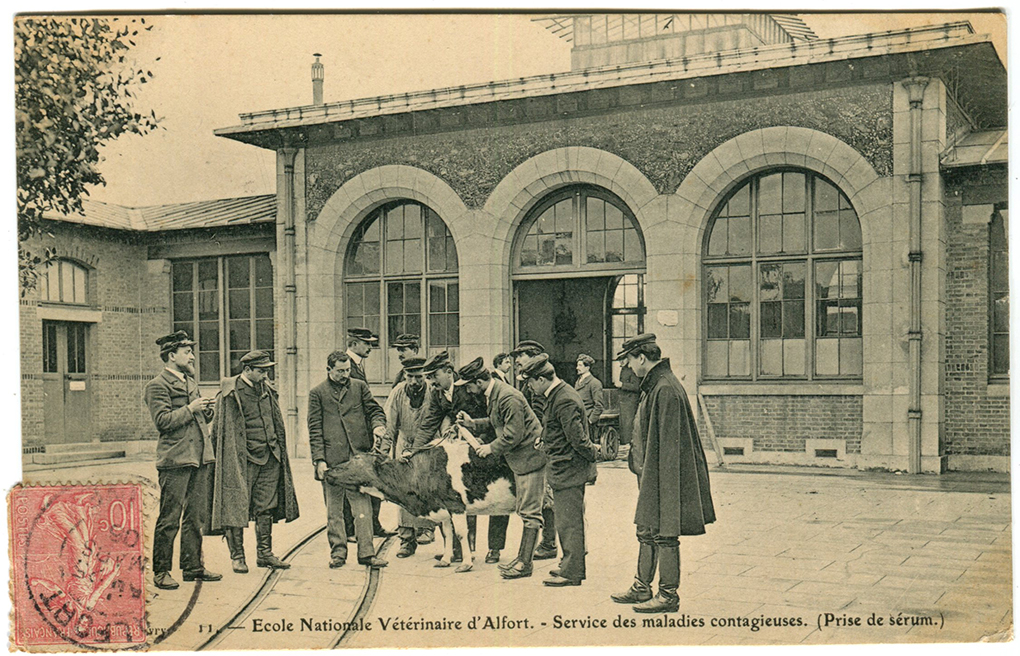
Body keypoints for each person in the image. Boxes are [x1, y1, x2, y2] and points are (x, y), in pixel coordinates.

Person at [610, 334, 715, 613]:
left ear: (642, 358)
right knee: (646, 528)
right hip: (650, 474)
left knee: (665, 532)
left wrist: (659, 483)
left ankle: (668, 596)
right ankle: (642, 587)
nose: (629, 368)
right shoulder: (656, 385)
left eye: (630, 361)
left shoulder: (664, 388)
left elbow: (669, 447)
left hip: (663, 477)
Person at [455, 357, 547, 580]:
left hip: (529, 458)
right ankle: (522, 559)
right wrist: (473, 424)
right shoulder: (496, 393)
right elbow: (497, 421)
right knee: (527, 509)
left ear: (479, 381)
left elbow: (513, 434)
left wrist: (490, 448)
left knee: (530, 511)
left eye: (469, 385)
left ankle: (525, 563)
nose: (468, 390)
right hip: (521, 459)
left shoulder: (507, 396)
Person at [411, 352, 508, 563]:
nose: (431, 382)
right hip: (465, 453)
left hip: (492, 446)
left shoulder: (470, 384)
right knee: (463, 496)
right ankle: (465, 549)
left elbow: (495, 416)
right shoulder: (437, 394)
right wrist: (414, 451)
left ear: (448, 372)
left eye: (433, 376)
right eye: (428, 378)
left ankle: (495, 548)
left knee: (497, 497)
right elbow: (428, 424)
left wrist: (483, 440)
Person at [210, 350, 300, 574]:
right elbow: (220, 432)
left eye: (267, 371)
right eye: (261, 371)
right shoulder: (230, 394)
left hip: (270, 458)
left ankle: (264, 553)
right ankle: (238, 557)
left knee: (266, 506)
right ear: (247, 370)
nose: (265, 375)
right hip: (243, 460)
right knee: (236, 505)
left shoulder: (268, 391)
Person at [143, 331, 220, 590]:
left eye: (191, 351)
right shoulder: (157, 385)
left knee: (196, 517)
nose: (192, 356)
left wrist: (205, 412)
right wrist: (191, 409)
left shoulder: (190, 382)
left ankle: (192, 567)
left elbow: (197, 420)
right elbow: (163, 422)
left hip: (198, 458)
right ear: (171, 355)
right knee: (170, 517)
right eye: (187, 352)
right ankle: (161, 570)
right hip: (175, 459)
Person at [307, 350, 389, 569]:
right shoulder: (317, 393)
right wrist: (319, 460)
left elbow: (374, 410)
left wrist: (378, 425)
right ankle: (338, 554)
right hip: (332, 462)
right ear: (329, 370)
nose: (345, 374)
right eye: (340, 371)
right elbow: (314, 430)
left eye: (347, 370)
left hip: (359, 459)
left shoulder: (359, 387)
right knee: (334, 511)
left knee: (363, 508)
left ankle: (367, 554)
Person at [522, 354, 598, 587]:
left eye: (530, 382)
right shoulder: (557, 394)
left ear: (541, 379)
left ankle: (572, 572)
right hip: (563, 468)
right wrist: (544, 440)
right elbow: (556, 428)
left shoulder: (563, 398)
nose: (529, 387)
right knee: (565, 521)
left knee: (570, 523)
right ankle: (567, 565)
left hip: (568, 470)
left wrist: (594, 456)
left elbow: (577, 439)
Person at [376, 357, 433, 558]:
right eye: (410, 377)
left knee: (427, 489)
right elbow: (389, 426)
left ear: (425, 376)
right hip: (404, 447)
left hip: (428, 447)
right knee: (404, 491)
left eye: (418, 377)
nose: (414, 382)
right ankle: (407, 538)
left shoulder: (433, 391)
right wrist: (382, 454)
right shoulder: (398, 392)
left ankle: (426, 528)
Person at [509, 340, 558, 561]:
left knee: (546, 498)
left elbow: (543, 418)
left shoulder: (539, 383)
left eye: (521, 355)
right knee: (546, 498)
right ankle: (549, 542)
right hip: (539, 448)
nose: (517, 360)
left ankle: (548, 543)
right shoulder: (529, 381)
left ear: (535, 357)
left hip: (541, 449)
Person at [343, 327, 391, 539]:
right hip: (351, 437)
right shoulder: (346, 366)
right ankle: (352, 528)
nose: (370, 347)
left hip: (363, 434)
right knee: (353, 481)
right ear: (354, 344)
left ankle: (370, 524)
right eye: (366, 343)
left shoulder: (357, 365)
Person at [574, 353, 605, 485]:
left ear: (588, 367)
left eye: (580, 365)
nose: (577, 367)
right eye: (577, 365)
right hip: (580, 419)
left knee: (590, 447)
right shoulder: (579, 381)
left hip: (588, 420)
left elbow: (599, 405)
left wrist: (591, 420)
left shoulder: (594, 383)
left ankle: (591, 476)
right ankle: (583, 475)